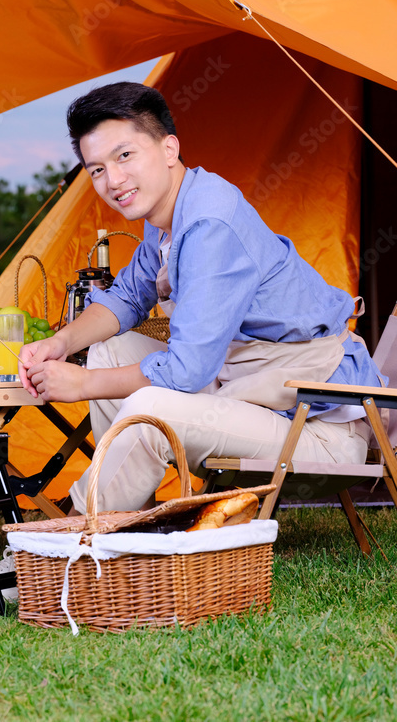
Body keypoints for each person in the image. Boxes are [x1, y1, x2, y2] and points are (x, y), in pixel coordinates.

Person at [20, 81, 386, 514]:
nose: (113, 180)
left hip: (314, 429)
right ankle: (123, 520)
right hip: (247, 391)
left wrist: (82, 385)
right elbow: (126, 298)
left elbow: (185, 372)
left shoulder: (208, 223)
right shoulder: (170, 210)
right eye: (96, 168)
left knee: (147, 405)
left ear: (169, 148)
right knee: (105, 351)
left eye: (124, 156)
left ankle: (69, 541)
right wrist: (61, 343)